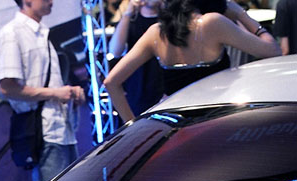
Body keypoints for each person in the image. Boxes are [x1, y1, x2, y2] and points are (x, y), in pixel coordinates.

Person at [104, 0, 281, 122]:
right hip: (217, 121)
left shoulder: (156, 32)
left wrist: (131, 125)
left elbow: (111, 82)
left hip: (174, 127)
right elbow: (272, 50)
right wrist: (242, 15)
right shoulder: (212, 22)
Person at [0, 0, 85, 181]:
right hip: (43, 133)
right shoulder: (11, 33)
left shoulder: (42, 32)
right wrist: (55, 93)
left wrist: (69, 93)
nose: (51, 1)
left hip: (62, 130)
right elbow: (7, 88)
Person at [108, 0, 164, 115]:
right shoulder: (131, 21)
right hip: (139, 93)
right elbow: (115, 51)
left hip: (166, 91)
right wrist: (127, 14)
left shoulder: (169, 20)